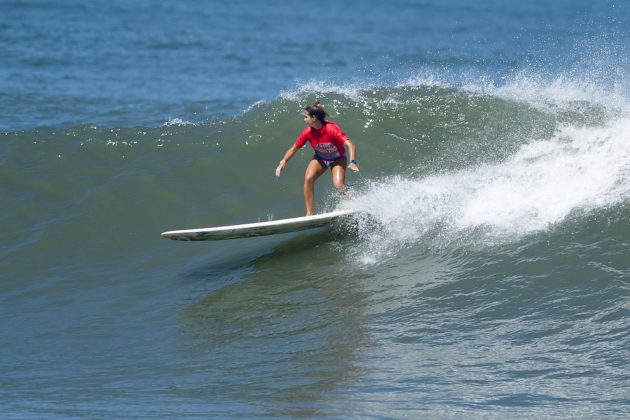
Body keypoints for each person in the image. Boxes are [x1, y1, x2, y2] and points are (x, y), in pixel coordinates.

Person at [275, 102, 359, 215]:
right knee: (308, 179)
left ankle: (352, 204)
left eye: (306, 117)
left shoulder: (331, 129)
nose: (304, 119)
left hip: (337, 159)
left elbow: (350, 145)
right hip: (320, 158)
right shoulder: (307, 132)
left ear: (314, 118)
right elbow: (294, 148)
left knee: (338, 184)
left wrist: (352, 162)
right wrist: (283, 161)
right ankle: (309, 213)